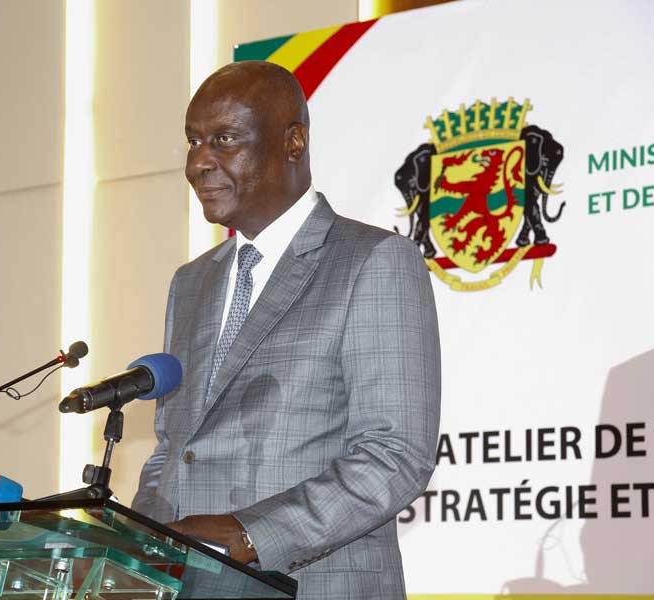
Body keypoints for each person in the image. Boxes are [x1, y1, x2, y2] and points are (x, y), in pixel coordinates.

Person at [132, 61, 441, 600]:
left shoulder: (372, 260)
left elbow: (394, 454)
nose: (198, 162)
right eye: (193, 141)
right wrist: (137, 550)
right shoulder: (191, 282)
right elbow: (172, 447)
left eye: (224, 139)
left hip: (315, 585)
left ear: (293, 141)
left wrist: (253, 535)